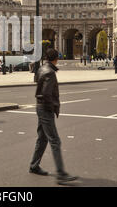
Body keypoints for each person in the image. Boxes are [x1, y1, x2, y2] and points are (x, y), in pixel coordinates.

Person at [30, 48, 78, 185]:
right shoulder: (50, 72)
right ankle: (61, 174)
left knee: (42, 138)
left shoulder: (42, 69)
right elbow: (46, 94)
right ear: (56, 58)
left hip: (40, 107)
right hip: (45, 109)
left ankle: (34, 165)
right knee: (55, 141)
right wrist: (52, 108)